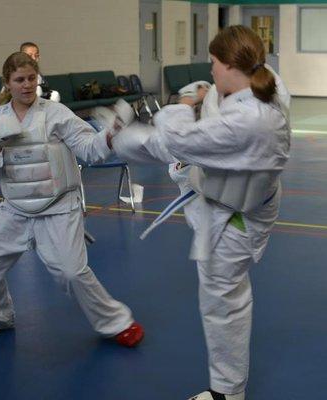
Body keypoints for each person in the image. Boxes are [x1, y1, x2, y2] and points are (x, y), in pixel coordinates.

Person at [110, 25, 291, 399]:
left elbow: (175, 141)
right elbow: (214, 126)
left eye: (212, 64)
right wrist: (210, 96)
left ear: (228, 65)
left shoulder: (246, 121)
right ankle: (229, 388)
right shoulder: (268, 85)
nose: (209, 71)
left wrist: (181, 105)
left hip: (233, 219)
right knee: (226, 298)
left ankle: (227, 393)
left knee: (223, 303)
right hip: (244, 203)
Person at [0, 52, 144, 348]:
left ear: (38, 79)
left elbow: (89, 149)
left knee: (72, 272)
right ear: (7, 83)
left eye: (31, 79)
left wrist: (109, 136)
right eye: (19, 80)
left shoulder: (56, 114)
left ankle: (117, 323)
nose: (26, 85)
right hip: (15, 209)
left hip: (58, 206)